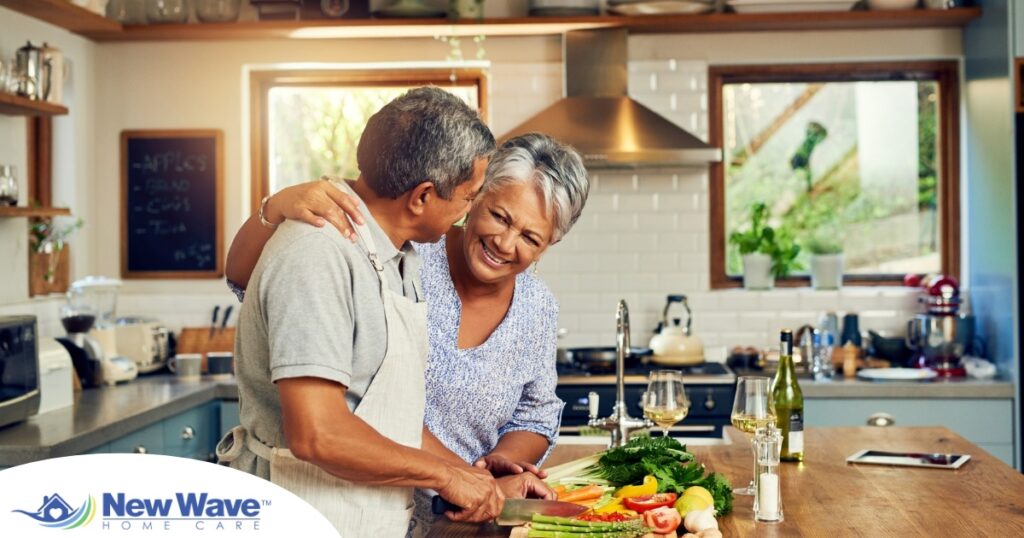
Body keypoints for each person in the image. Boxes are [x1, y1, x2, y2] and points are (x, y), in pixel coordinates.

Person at [226, 133, 591, 532]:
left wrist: (488, 473)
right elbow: (249, 277)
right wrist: (273, 208)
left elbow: (535, 413)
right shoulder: (407, 251)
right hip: (350, 499)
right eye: (500, 217)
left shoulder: (537, 306)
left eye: (530, 237)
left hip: (466, 513)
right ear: (474, 198)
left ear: (548, 245)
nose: (504, 243)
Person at [215, 87, 508, 537]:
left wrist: (483, 482)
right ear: (423, 196)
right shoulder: (318, 253)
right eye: (468, 199)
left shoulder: (397, 255)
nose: (467, 215)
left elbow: (388, 421)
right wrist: (447, 477)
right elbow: (318, 434)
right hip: (301, 516)